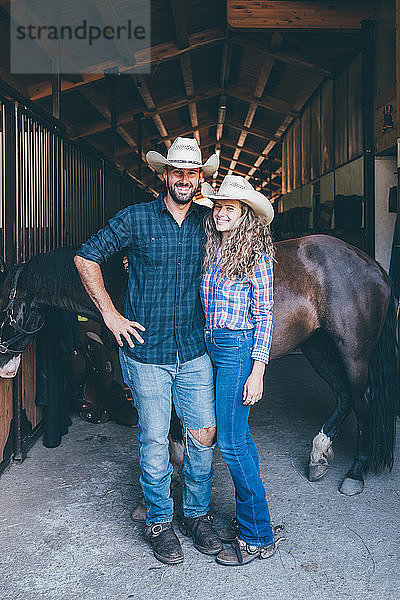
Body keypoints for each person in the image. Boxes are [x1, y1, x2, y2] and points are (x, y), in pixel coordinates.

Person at [74, 137, 223, 565]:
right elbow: (87, 258)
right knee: (155, 439)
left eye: (191, 173)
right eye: (176, 171)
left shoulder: (209, 220)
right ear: (164, 175)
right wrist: (110, 315)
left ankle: (195, 515)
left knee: (203, 436)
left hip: (194, 351)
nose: (183, 178)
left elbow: (245, 249)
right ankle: (159, 519)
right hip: (146, 354)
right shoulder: (136, 219)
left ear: (199, 179)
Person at [200, 174, 279, 567]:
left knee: (230, 444)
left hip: (237, 349)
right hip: (210, 345)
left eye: (229, 207)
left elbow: (265, 315)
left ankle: (257, 536)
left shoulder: (257, 257)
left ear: (245, 213)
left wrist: (258, 371)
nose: (220, 212)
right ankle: (254, 524)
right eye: (218, 205)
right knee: (238, 438)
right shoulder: (212, 250)